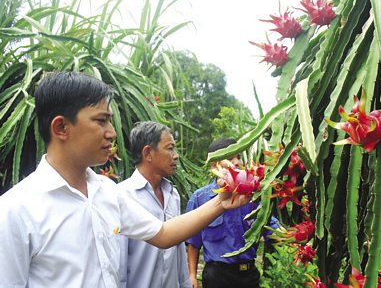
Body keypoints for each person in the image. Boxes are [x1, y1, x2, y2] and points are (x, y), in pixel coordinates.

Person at [0, 72, 249, 288]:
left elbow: (163, 234)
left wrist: (221, 202)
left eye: (110, 120)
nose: (111, 132)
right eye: (101, 120)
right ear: (61, 128)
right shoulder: (16, 210)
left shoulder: (106, 191)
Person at [186, 138, 280, 288]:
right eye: (230, 158)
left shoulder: (253, 196)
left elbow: (269, 224)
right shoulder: (200, 198)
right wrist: (191, 275)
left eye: (239, 157)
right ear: (214, 165)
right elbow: (193, 243)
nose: (236, 162)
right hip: (217, 276)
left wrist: (292, 238)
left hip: (248, 275)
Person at [119, 121, 191, 288]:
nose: (176, 155)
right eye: (170, 148)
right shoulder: (123, 196)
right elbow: (119, 263)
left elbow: (179, 249)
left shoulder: (172, 195)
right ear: (148, 153)